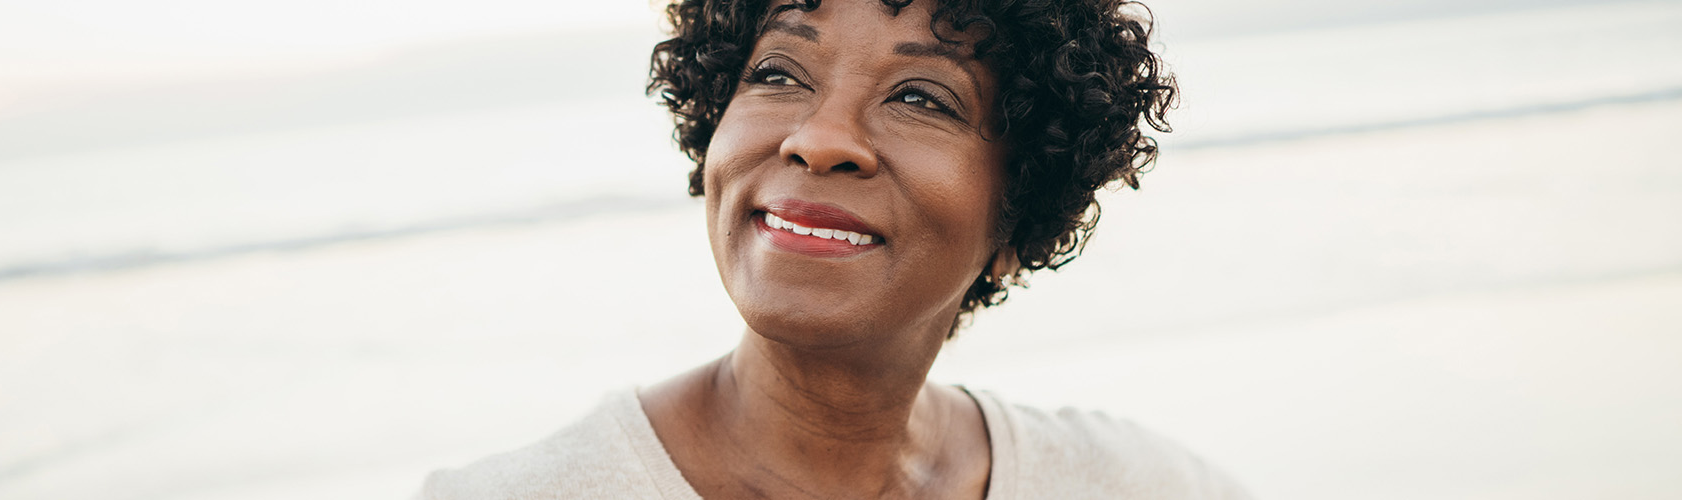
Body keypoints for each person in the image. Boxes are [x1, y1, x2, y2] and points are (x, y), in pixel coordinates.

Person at [415, 0, 1248, 498]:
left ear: (1017, 220)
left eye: (921, 96)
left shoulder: (1136, 483)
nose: (819, 139)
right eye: (778, 73)